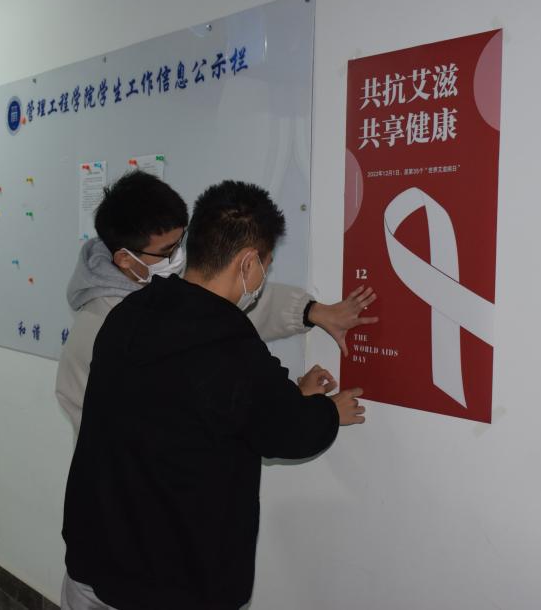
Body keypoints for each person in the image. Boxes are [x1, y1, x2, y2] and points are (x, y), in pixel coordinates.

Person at [62, 180, 365, 610]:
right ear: (248, 263)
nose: (264, 275)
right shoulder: (230, 346)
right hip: (170, 584)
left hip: (96, 560)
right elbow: (289, 433)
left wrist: (288, 390)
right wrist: (327, 410)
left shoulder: (128, 312)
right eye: (266, 264)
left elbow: (189, 404)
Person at [56, 170, 377, 436]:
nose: (179, 257)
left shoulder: (166, 286)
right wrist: (303, 410)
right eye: (167, 251)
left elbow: (222, 306)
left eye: (180, 242)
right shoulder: (99, 330)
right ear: (125, 260)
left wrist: (313, 312)